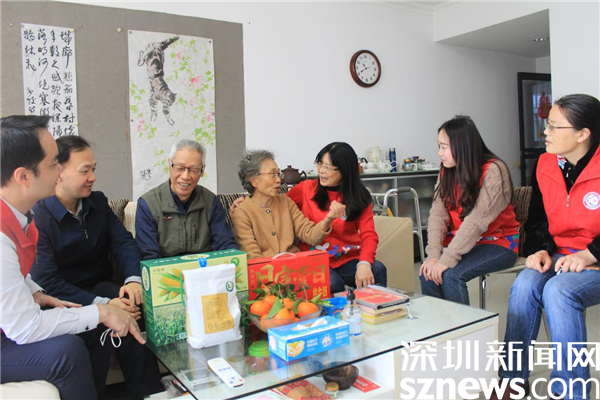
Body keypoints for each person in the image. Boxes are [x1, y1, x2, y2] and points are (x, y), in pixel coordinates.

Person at [0, 115, 144, 400]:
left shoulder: (20, 216)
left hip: (18, 321)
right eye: (53, 164)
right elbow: (25, 328)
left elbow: (14, 273)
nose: (58, 172)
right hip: (9, 335)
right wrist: (103, 310)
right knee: (67, 351)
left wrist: (34, 291)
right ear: (23, 176)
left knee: (98, 326)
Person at [29, 136, 163, 399]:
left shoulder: (97, 202)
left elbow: (123, 242)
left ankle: (150, 394)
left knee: (131, 308)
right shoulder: (39, 215)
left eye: (94, 169)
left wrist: (133, 280)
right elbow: (47, 280)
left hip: (101, 287)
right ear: (58, 171)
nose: (93, 177)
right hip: (62, 299)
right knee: (103, 323)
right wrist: (104, 305)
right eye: (85, 171)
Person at [492, 94, 600, 400]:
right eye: (546, 124)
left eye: (554, 126)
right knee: (524, 284)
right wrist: (538, 248)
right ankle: (511, 381)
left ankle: (571, 391)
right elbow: (538, 218)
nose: (545, 132)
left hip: (594, 257)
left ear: (583, 134)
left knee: (559, 290)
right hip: (560, 254)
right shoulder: (545, 164)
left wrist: (590, 254)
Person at [420, 116, 520, 305]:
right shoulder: (447, 170)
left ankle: (463, 324)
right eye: (439, 146)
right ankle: (440, 324)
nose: (439, 153)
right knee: (427, 274)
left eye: (444, 147)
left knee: (451, 275)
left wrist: (446, 259)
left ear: (462, 146)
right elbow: (437, 215)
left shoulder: (494, 171)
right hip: (465, 242)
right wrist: (433, 256)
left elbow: (476, 221)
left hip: (498, 243)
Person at [271, 142, 387, 294]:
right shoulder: (306, 189)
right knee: (333, 283)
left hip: (347, 260)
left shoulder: (359, 196)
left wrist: (364, 263)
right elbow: (278, 204)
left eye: (328, 167)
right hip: (314, 260)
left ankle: (373, 307)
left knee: (377, 269)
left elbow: (368, 234)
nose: (321, 171)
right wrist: (247, 201)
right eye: (320, 164)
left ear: (345, 170)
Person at [232, 150, 346, 259]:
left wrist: (328, 219)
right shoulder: (241, 212)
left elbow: (310, 235)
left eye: (278, 174)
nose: (278, 180)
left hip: (295, 264)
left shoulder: (285, 201)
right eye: (272, 174)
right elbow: (253, 256)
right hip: (267, 270)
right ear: (254, 181)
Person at [135, 139, 238, 259]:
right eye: (180, 168)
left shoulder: (211, 201)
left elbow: (225, 243)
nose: (185, 176)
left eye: (193, 170)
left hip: (205, 267)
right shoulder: (148, 204)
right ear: (169, 164)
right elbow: (149, 256)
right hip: (166, 269)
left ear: (202, 171)